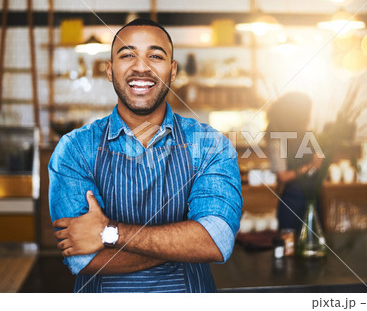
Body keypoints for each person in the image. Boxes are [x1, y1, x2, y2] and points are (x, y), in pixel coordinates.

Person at [49, 18, 242, 293]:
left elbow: (216, 240)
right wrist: (187, 241)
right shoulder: (75, 148)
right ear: (109, 70)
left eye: (155, 55)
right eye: (127, 55)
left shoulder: (211, 144)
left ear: (172, 71)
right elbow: (83, 258)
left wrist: (109, 233)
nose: (141, 67)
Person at [265, 92, 323, 231]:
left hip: (314, 200)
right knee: (290, 245)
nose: (309, 117)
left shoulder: (308, 135)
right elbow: (282, 176)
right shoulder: (277, 139)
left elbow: (319, 164)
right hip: (292, 204)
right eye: (307, 112)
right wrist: (310, 166)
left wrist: (319, 161)